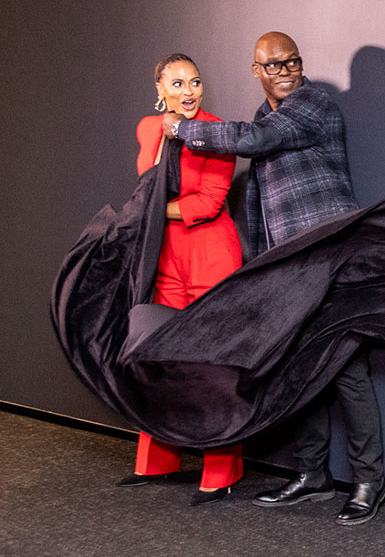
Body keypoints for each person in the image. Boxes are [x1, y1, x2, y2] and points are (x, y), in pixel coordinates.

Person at [163, 32, 385, 525]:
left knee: (348, 372)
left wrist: (184, 129)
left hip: (330, 258)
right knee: (300, 369)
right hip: (289, 267)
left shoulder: (313, 105)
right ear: (256, 70)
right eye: (274, 64)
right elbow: (264, 202)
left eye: (293, 61)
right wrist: (265, 269)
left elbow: (256, 141)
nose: (286, 70)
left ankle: (370, 481)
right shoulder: (268, 114)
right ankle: (313, 475)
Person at [116, 53, 244, 506]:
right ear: (160, 89)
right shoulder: (147, 129)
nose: (188, 91)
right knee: (159, 356)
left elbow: (207, 204)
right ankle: (159, 461)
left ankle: (222, 470)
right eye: (178, 83)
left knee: (212, 362)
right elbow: (145, 186)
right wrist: (150, 214)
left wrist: (149, 213)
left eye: (195, 82)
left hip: (211, 252)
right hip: (166, 255)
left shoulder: (217, 132)